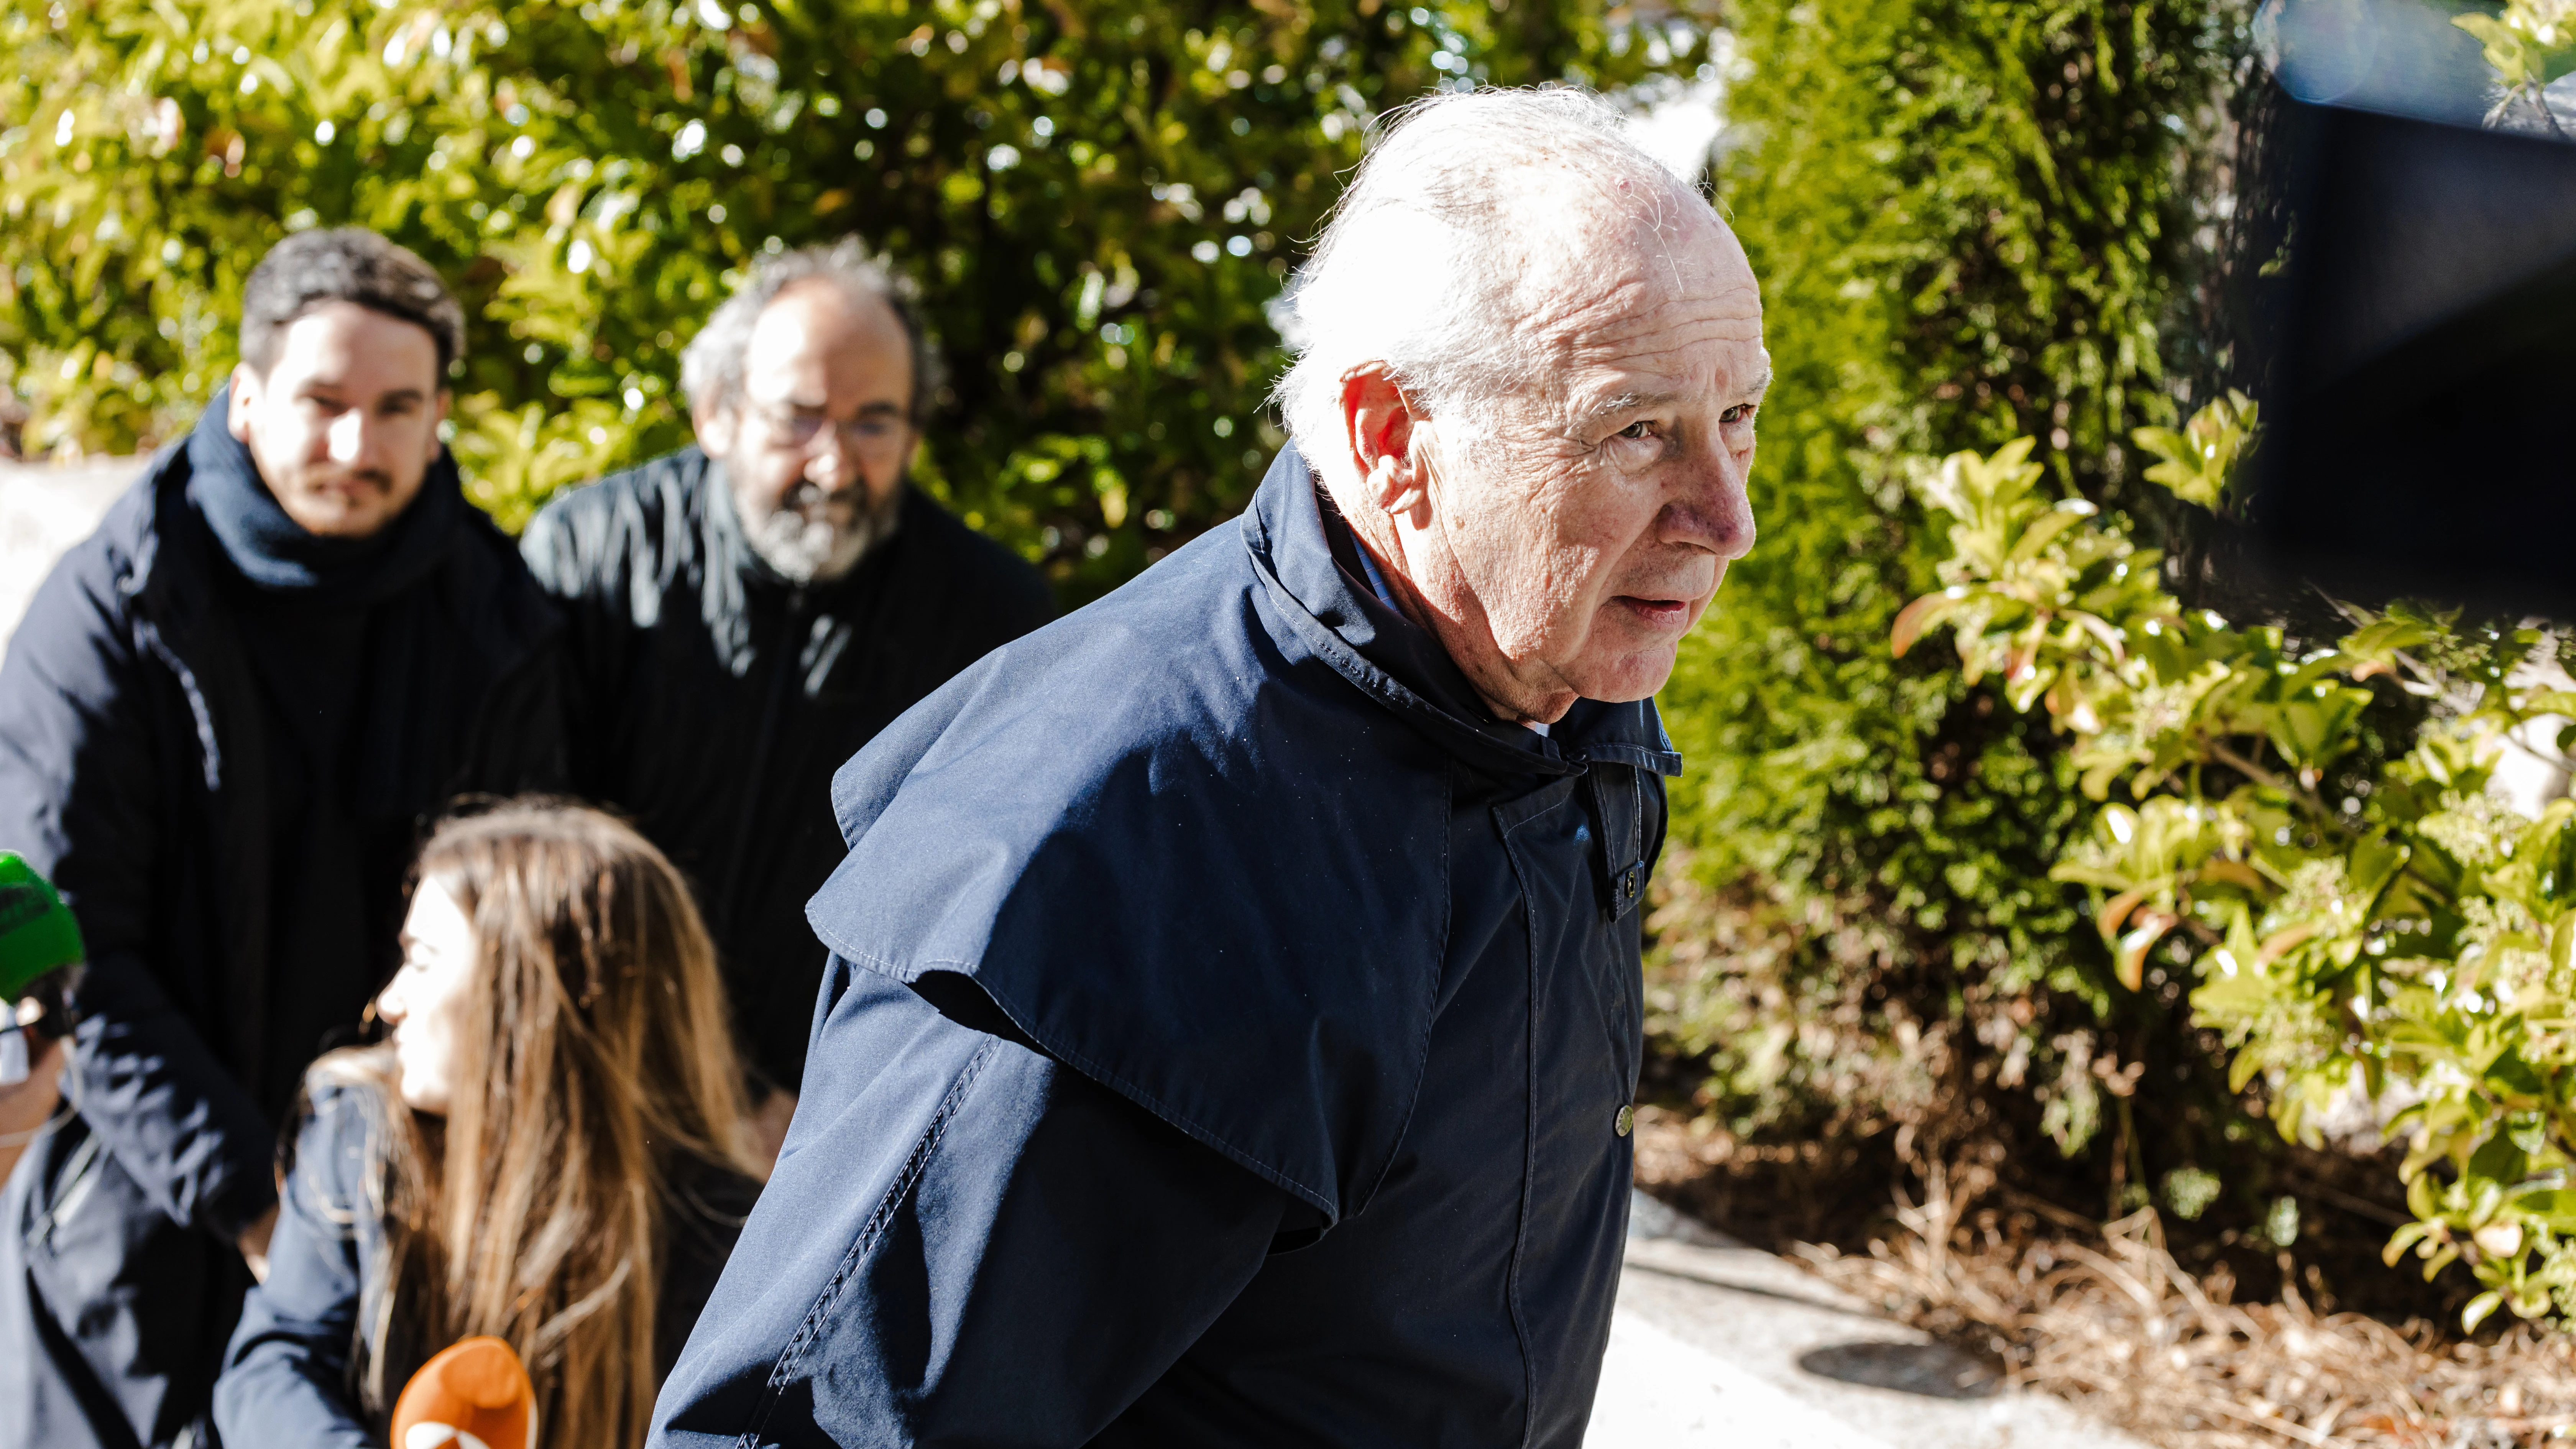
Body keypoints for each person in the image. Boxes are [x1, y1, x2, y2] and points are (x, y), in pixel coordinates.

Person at [650, 86, 1766, 1447]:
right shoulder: (1110, 851)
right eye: (1638, 431)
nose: (1730, 517)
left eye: (1741, 417)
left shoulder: (1557, 679)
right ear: (1387, 438)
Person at [0, 228, 568, 1449]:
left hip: (400, 1222)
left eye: (396, 408)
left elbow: (523, 934)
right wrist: (259, 1202)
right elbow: (76, 962)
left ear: (440, 416)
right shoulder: (113, 611)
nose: (357, 445)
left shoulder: (497, 613)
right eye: (322, 402)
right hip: (139, 1222)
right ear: (247, 393)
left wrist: (363, 1211)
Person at [519, 241, 1052, 1147]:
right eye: (798, 419)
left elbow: (980, 908)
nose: (834, 466)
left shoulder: (989, 616)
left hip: (823, 1129)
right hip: (585, 1090)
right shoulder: (589, 557)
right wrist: (681, 1079)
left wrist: (827, 1107)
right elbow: (532, 838)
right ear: (716, 415)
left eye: (873, 423)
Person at [214, 801, 766, 1449]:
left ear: (535, 995)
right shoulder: (360, 1129)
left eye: (421, 960)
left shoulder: (722, 1235)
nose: (387, 1003)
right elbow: (272, 1362)